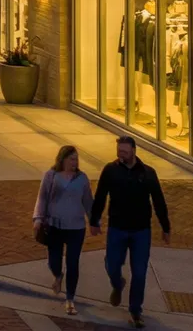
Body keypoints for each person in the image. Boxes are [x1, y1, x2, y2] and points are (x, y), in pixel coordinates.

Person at [91, 135, 170, 328]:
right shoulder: (110, 171)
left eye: (124, 152)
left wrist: (165, 227)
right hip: (117, 228)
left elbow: (159, 201)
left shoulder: (148, 173)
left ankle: (136, 310)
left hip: (141, 231)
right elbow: (100, 195)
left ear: (134, 150)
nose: (121, 155)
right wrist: (94, 220)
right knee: (112, 264)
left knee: (140, 272)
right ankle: (117, 284)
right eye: (119, 152)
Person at [33, 145, 94, 316]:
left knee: (73, 263)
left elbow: (88, 201)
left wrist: (94, 221)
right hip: (55, 226)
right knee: (54, 261)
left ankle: (70, 299)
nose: (75, 162)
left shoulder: (82, 178)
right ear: (63, 159)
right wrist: (38, 219)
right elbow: (42, 198)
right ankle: (58, 276)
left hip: (76, 228)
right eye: (71, 159)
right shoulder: (51, 176)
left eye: (76, 159)